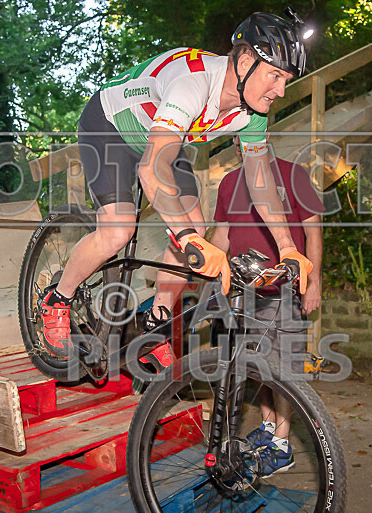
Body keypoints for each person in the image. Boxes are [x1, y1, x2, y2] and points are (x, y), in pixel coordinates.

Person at [39, 11, 315, 356]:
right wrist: (186, 239)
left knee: (195, 226)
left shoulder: (253, 114)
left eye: (287, 79)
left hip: (164, 138)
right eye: (275, 75)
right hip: (110, 126)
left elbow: (260, 182)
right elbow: (152, 169)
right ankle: (56, 298)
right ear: (245, 62)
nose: (281, 90)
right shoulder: (193, 83)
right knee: (118, 230)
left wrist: (288, 247)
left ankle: (156, 323)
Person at [210, 139, 323, 476]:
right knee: (257, 365)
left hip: (285, 289)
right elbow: (222, 236)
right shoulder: (229, 182)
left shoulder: (294, 175)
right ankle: (270, 426)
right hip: (245, 293)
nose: (244, 143)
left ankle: (283, 445)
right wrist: (209, 269)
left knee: (283, 368)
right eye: (237, 137)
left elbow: (313, 233)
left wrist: (314, 282)